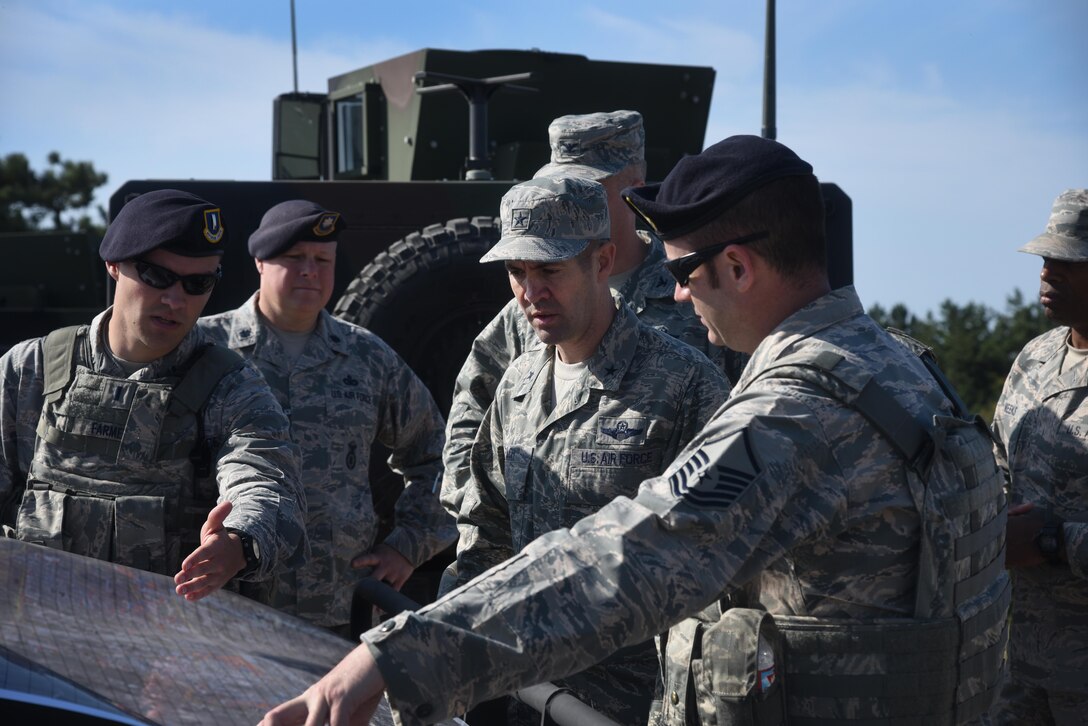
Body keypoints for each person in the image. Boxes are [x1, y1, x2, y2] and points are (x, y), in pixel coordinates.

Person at [260, 136, 1008, 726]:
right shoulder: (902, 368)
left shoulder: (796, 410)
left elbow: (633, 554)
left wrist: (398, 660)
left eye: (684, 271)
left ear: (740, 267)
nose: (677, 293)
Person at [452, 176, 729, 724]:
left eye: (550, 270)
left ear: (602, 261)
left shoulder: (685, 384)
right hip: (524, 698)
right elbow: (485, 537)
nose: (531, 293)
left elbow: (718, 563)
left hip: (633, 706)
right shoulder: (517, 384)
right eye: (517, 273)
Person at [0, 189, 307, 602]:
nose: (175, 299)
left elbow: (266, 480)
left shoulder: (230, 387)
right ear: (113, 263)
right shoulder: (30, 370)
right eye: (157, 276)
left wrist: (238, 539)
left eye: (197, 283)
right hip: (39, 631)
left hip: (165, 646)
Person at [440, 110, 744, 523]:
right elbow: (472, 411)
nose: (564, 193)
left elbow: (739, 423)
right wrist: (481, 512)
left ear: (633, 188)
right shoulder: (523, 312)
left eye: (587, 184)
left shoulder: (692, 292)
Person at [198, 200, 454, 635]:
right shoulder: (206, 348)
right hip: (227, 607)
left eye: (322, 260)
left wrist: (408, 547)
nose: (310, 271)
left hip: (339, 610)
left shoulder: (367, 356)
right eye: (294, 258)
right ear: (259, 261)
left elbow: (441, 455)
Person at [989, 189, 1088, 724]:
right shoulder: (1036, 357)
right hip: (1020, 670)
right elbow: (997, 468)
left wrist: (1053, 541)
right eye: (1046, 258)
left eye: (1069, 261)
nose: (1048, 272)